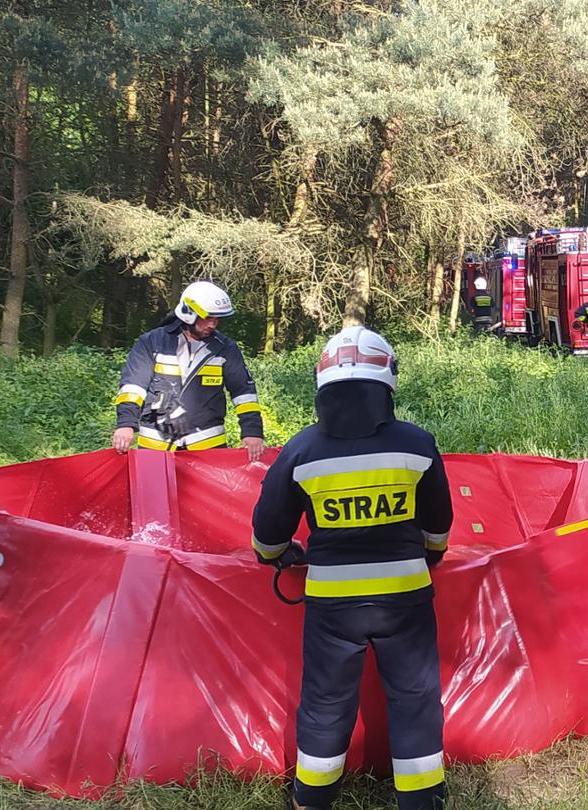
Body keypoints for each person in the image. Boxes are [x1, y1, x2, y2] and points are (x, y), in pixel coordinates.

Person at [250, 327, 454, 810]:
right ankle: (421, 799)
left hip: (332, 604)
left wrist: (279, 555)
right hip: (406, 597)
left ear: (323, 385)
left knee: (326, 700)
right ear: (387, 384)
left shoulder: (301, 451)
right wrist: (430, 555)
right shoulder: (417, 445)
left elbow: (267, 532)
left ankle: (312, 797)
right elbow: (439, 523)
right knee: (415, 698)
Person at [112, 280, 265, 461]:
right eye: (208, 318)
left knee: (206, 492)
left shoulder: (225, 348)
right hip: (155, 446)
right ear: (189, 313)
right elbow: (132, 387)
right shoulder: (152, 343)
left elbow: (244, 393)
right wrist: (126, 424)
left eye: (217, 319)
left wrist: (253, 431)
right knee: (154, 491)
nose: (213, 324)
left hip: (207, 446)